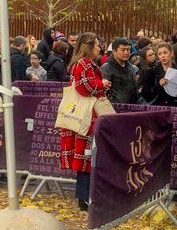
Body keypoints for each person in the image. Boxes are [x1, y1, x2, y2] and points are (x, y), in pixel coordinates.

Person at [59, 32, 111, 211]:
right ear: (89, 46)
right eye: (97, 45)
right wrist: (101, 84)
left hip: (87, 116)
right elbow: (84, 88)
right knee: (88, 157)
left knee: (88, 158)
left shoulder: (83, 64)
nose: (100, 48)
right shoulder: (83, 64)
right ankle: (85, 197)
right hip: (87, 118)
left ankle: (85, 196)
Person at [101, 38, 139, 104]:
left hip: (132, 107)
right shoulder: (106, 68)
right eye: (123, 50)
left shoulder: (132, 68)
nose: (126, 52)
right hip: (115, 108)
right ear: (114, 51)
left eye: (128, 49)